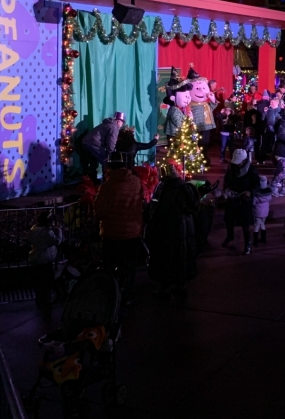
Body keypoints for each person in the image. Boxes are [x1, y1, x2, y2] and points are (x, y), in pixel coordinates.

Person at [94, 158, 145, 301]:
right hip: (133, 233)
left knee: (110, 268)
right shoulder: (136, 182)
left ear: (110, 169)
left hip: (112, 234)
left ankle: (112, 298)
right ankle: (127, 296)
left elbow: (100, 211)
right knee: (129, 268)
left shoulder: (107, 186)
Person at [145, 173, 199, 299]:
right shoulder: (187, 188)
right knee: (182, 257)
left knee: (168, 258)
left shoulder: (167, 190)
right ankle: (180, 286)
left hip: (170, 229)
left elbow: (159, 210)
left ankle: (165, 286)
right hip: (185, 229)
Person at [222, 149, 259, 255]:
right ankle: (230, 236)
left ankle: (248, 242)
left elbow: (256, 185)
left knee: (245, 222)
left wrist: (250, 192)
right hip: (232, 196)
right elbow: (227, 180)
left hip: (244, 199)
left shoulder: (252, 170)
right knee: (228, 218)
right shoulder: (231, 168)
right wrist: (226, 189)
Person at [28, 210, 63, 306]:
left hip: (36, 259)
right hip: (45, 260)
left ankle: (40, 299)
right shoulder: (47, 233)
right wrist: (59, 231)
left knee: (38, 281)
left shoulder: (33, 230)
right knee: (48, 281)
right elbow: (57, 241)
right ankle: (47, 300)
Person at [82, 112, 125, 176]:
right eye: (122, 122)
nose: (122, 124)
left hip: (86, 142)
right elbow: (111, 142)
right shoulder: (114, 127)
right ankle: (107, 180)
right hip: (94, 144)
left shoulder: (107, 124)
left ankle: (92, 180)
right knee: (106, 161)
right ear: (118, 121)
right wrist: (110, 154)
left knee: (93, 161)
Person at [252, 176, 271, 245]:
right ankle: (263, 238)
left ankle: (255, 241)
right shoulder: (268, 195)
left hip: (257, 212)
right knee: (262, 224)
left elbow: (253, 203)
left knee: (256, 225)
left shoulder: (256, 196)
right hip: (265, 212)